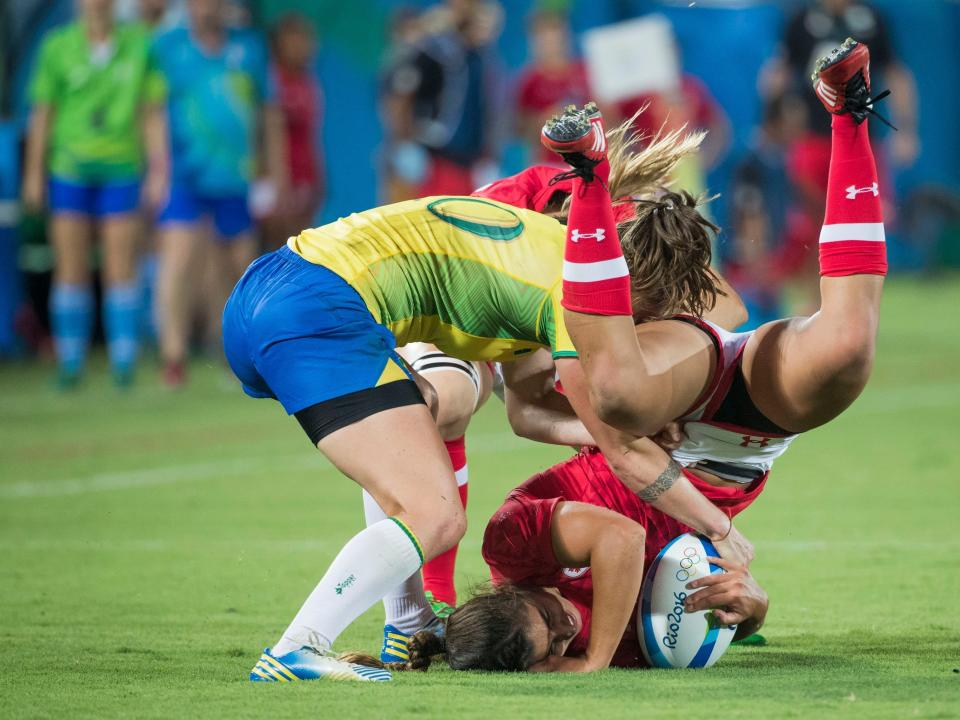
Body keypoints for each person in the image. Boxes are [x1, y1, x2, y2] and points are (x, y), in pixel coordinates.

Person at [222, 115, 712, 682]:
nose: (633, 330)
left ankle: (407, 624)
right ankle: (296, 649)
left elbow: (531, 413)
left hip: (267, 289)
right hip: (321, 310)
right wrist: (720, 530)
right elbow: (618, 446)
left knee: (424, 427)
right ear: (633, 283)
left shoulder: (543, 243)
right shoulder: (575, 292)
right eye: (643, 314)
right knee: (435, 514)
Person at [533, 38, 886, 570]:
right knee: (847, 347)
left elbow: (725, 310)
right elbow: (523, 411)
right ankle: (849, 116)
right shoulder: (530, 296)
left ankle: (589, 177)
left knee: (619, 395)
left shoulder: (552, 276)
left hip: (681, 386)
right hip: (743, 432)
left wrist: (636, 413)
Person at [21, 0, 168, 388]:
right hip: (69, 169)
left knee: (122, 267)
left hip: (122, 169)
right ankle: (70, 362)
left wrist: (159, 171)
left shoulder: (138, 44)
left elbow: (152, 111)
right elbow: (42, 113)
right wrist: (34, 174)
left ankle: (124, 363)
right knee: (71, 267)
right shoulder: (56, 45)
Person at [152, 0, 285, 387]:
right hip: (184, 177)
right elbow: (153, 110)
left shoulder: (250, 48)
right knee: (177, 263)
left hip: (235, 179)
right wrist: (157, 169)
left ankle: (233, 357)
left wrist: (275, 172)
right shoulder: (166, 47)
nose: (207, 6)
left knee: (241, 270)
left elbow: (269, 113)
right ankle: (172, 357)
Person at [380, 0, 503, 201]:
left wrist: (488, 156)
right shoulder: (431, 49)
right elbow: (398, 98)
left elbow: (488, 111)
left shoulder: (481, 58)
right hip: (432, 160)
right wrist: (404, 144)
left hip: (467, 164)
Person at [260, 13, 324, 250]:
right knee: (274, 250)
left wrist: (318, 177)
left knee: (302, 249)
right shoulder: (271, 81)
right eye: (295, 40)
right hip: (277, 182)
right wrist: (278, 182)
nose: (303, 47)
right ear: (279, 44)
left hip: (304, 179)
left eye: (307, 40)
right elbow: (268, 133)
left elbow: (311, 135)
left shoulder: (309, 82)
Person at [515, 10, 590, 166]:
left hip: (587, 161)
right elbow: (520, 131)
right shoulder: (530, 81)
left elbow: (609, 117)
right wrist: (544, 122)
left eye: (555, 34)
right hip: (550, 165)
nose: (551, 42)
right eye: (543, 37)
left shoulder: (585, 73)